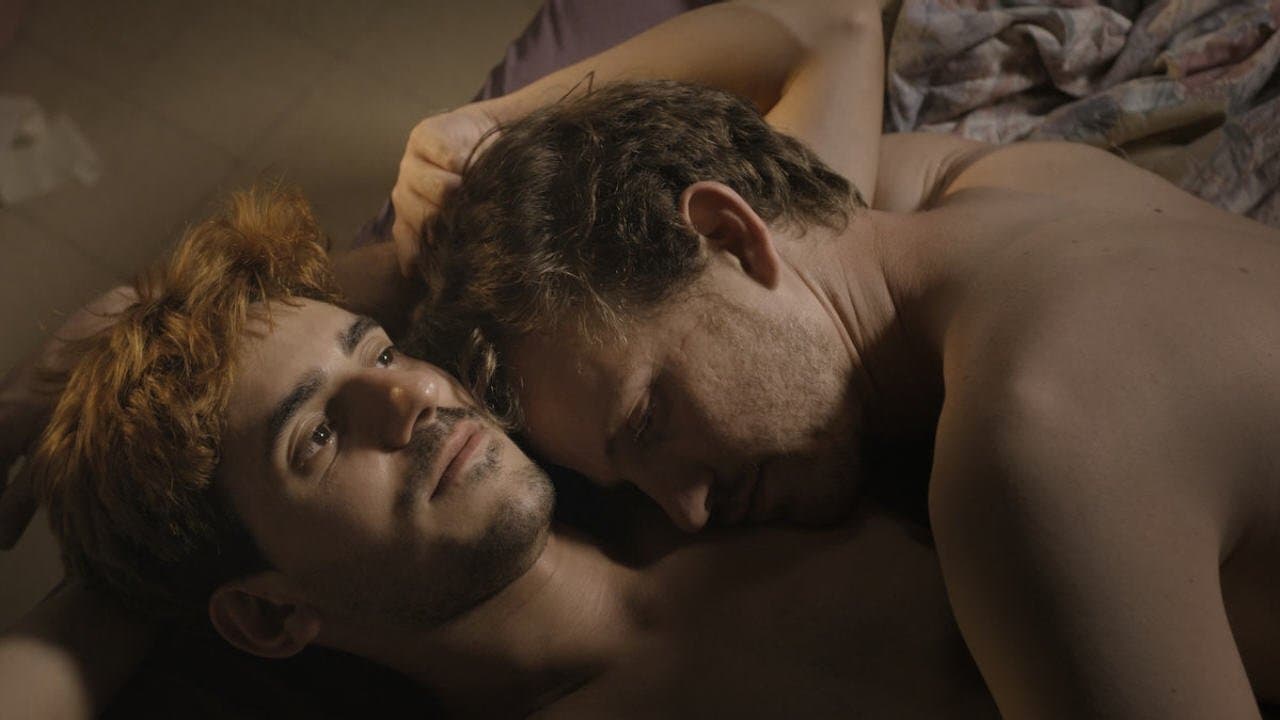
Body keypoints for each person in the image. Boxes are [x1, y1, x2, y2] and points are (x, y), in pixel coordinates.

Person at [393, 18, 1280, 720]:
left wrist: (487, 130)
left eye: (648, 421)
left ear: (729, 235)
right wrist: (495, 142)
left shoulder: (1030, 448)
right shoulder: (970, 186)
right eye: (632, 481)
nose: (686, 511)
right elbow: (826, 25)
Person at [0, 187, 996, 718]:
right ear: (268, 614)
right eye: (317, 437)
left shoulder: (719, 459)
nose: (415, 397)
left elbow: (822, 40)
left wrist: (84, 360)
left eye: (378, 353)